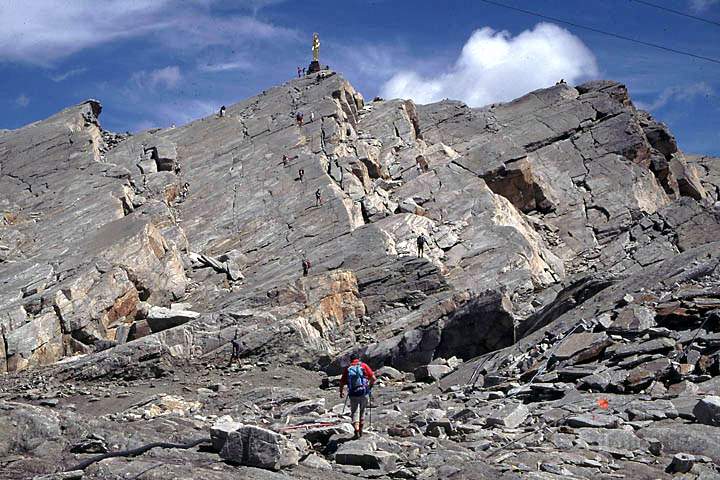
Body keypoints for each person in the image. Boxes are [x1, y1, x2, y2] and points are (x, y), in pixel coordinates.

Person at [340, 357, 376, 439]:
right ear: (358, 359)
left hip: (353, 393)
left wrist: (341, 392)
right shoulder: (363, 366)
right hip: (364, 392)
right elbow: (373, 378)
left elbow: (342, 382)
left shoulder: (348, 368)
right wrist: (369, 387)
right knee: (362, 410)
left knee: (355, 412)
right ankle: (361, 430)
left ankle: (356, 429)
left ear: (350, 360)